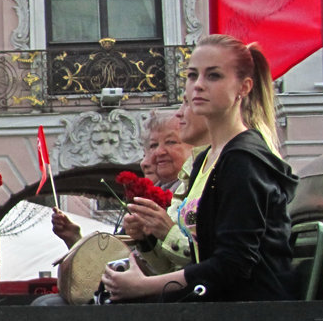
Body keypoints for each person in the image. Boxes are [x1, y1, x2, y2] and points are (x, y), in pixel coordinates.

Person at [101, 34, 297, 302]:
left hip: (250, 313)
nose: (198, 86)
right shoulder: (207, 160)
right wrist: (147, 244)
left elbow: (233, 265)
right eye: (193, 76)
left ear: (244, 87)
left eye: (213, 76)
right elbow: (196, 262)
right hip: (215, 304)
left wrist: (144, 287)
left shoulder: (244, 159)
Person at [124, 102, 209, 274]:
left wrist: (167, 232)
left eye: (170, 142)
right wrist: (145, 240)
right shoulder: (175, 188)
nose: (159, 152)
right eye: (153, 145)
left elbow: (209, 260)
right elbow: (167, 269)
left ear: (194, 143)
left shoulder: (204, 183)